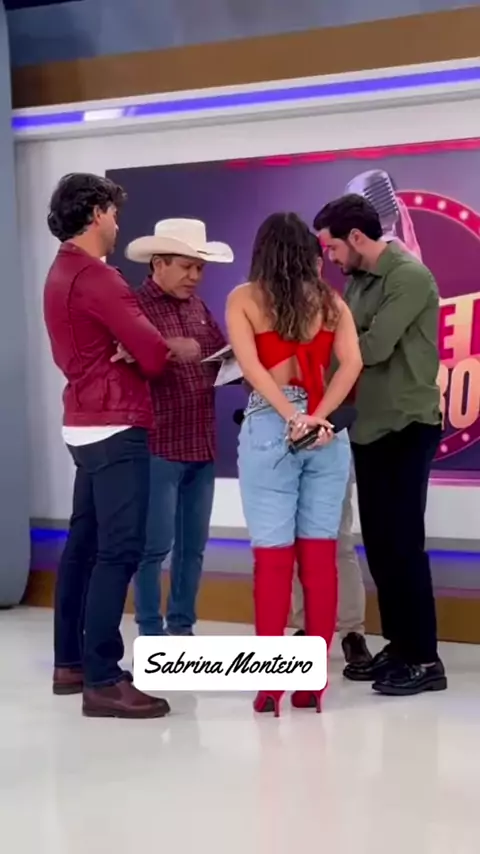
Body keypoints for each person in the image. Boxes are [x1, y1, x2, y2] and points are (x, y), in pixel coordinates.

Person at [44, 173, 171, 719]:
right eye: (114, 214)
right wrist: (144, 346)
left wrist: (132, 344)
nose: (118, 223)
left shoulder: (61, 271)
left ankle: (70, 663)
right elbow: (155, 355)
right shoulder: (99, 278)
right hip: (116, 423)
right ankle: (102, 677)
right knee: (119, 550)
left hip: (83, 421)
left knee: (83, 544)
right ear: (96, 213)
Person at [226, 213, 362, 717]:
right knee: (320, 558)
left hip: (271, 425)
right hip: (326, 433)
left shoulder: (244, 298)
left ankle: (269, 688)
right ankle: (311, 686)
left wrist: (291, 416)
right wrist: (318, 416)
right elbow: (352, 363)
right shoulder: (331, 302)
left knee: (273, 560)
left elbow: (250, 366)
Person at [315, 193, 446, 697]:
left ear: (355, 237)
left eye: (331, 247)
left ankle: (425, 658)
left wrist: (334, 351)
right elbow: (349, 344)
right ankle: (400, 644)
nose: (329, 258)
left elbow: (370, 347)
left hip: (407, 425)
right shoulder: (358, 282)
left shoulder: (409, 276)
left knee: (404, 544)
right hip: (368, 426)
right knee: (381, 546)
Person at [124, 219, 233, 636]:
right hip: (159, 444)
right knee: (153, 547)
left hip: (201, 442)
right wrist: (167, 349)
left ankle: (182, 628)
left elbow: (219, 352)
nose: (195, 276)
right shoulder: (134, 307)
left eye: (199, 268)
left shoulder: (198, 307)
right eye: (187, 267)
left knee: (193, 548)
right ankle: (151, 631)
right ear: (159, 263)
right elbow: (123, 356)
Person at [290, 236, 371, 666]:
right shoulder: (267, 311)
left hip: (329, 433)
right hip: (285, 434)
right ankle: (304, 627)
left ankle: (352, 631)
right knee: (293, 539)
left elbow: (351, 372)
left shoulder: (336, 310)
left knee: (337, 538)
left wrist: (322, 416)